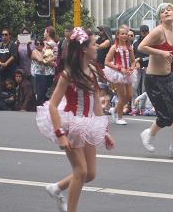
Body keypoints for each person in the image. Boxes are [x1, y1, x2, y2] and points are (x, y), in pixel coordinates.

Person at [36, 27, 115, 212]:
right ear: (84, 49)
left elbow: (96, 105)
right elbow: (53, 105)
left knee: (90, 174)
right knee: (81, 171)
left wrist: (104, 132)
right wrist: (60, 134)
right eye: (94, 44)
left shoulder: (93, 71)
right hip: (70, 125)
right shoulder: (68, 74)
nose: (97, 46)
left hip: (87, 124)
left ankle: (56, 188)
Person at [138, 3, 173, 159]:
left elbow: (172, 48)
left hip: (170, 77)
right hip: (155, 79)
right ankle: (149, 133)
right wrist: (161, 52)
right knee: (166, 116)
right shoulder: (158, 31)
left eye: (169, 9)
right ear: (160, 17)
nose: (166, 11)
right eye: (163, 11)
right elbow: (141, 46)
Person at [104, 26, 136, 125]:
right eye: (122, 34)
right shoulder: (114, 47)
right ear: (117, 35)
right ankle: (119, 117)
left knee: (129, 96)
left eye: (126, 34)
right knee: (122, 97)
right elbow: (107, 62)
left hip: (127, 73)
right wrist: (119, 68)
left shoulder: (129, 48)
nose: (124, 36)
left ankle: (114, 109)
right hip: (118, 74)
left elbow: (133, 61)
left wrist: (131, 68)